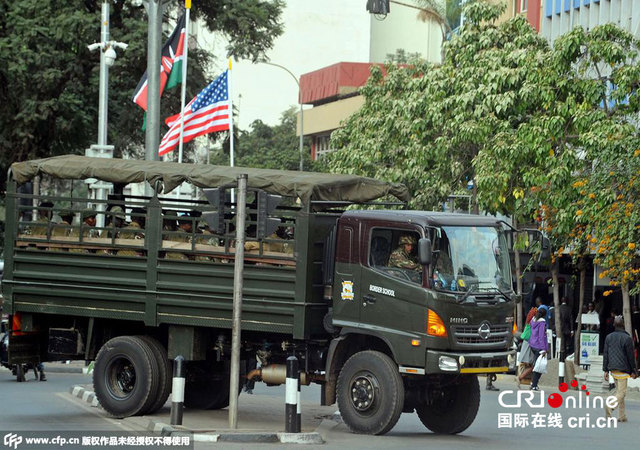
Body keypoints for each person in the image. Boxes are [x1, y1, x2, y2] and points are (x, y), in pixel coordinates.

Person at [603, 316, 638, 422]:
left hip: (613, 369)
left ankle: (622, 416)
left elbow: (606, 354)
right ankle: (610, 406)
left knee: (620, 391)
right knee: (621, 393)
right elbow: (631, 357)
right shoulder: (627, 338)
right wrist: (634, 371)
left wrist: (605, 370)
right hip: (623, 369)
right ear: (623, 325)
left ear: (614, 325)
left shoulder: (608, 337)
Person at [518, 308, 548, 391]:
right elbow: (541, 336)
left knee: (536, 365)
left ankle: (534, 383)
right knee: (538, 366)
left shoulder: (533, 320)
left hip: (532, 345)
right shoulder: (542, 322)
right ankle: (534, 384)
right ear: (545, 315)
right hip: (539, 346)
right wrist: (544, 348)